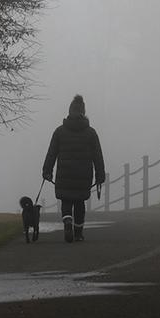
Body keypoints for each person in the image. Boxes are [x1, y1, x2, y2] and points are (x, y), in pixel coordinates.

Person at [42, 94, 106, 243]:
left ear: (70, 111)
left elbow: (51, 153)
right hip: (83, 175)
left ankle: (67, 221)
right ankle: (78, 233)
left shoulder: (59, 132)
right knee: (79, 202)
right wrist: (100, 175)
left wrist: (47, 170)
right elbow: (98, 156)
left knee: (66, 200)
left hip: (64, 173)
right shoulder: (91, 133)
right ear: (83, 112)